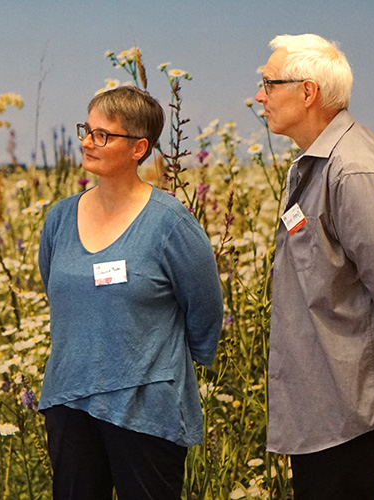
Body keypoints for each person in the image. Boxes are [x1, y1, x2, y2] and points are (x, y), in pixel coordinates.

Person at [255, 34, 374, 499]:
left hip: (346, 400)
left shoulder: (351, 168)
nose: (259, 95)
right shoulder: (316, 162)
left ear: (307, 92)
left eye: (268, 83)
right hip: (325, 396)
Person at [37, 85, 223, 499]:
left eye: (103, 134)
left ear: (139, 148)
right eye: (87, 129)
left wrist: (152, 362)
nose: (87, 141)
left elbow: (206, 309)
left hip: (146, 409)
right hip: (69, 400)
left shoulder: (170, 223)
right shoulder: (59, 219)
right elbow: (59, 292)